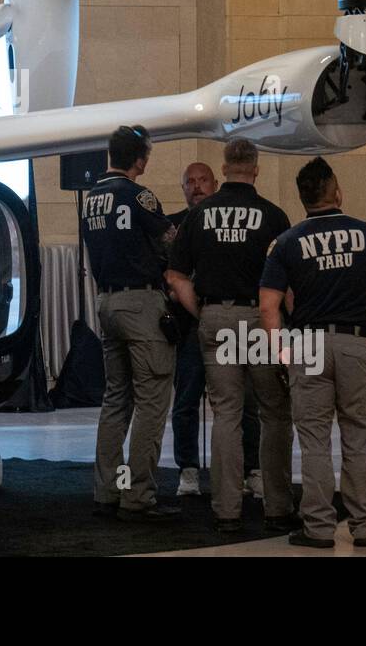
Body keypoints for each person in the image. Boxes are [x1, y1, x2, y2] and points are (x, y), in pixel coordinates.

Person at [259, 157, 366, 548]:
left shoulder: (286, 243)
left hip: (308, 345)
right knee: (358, 437)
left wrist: (282, 352)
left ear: (303, 198)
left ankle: (318, 528)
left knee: (315, 439)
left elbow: (268, 305)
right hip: (356, 343)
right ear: (337, 192)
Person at [167, 138, 295, 533]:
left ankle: (226, 511)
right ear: (255, 170)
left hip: (216, 316)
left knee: (226, 415)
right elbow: (288, 283)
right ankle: (276, 506)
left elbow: (175, 276)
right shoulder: (273, 215)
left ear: (223, 169)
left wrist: (203, 311)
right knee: (272, 412)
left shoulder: (199, 215)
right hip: (259, 318)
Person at [82, 124, 181, 523]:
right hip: (141, 303)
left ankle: (106, 491)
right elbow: (170, 240)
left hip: (106, 301)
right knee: (153, 401)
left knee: (116, 401)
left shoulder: (91, 198)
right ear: (140, 159)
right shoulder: (139, 195)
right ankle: (138, 495)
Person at [167, 161, 217, 496]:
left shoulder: (225, 221)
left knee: (238, 403)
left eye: (203, 181)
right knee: (185, 401)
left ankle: (244, 471)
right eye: (190, 182)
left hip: (226, 321)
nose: (197, 187)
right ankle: (187, 469)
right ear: (183, 188)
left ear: (215, 184)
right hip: (187, 328)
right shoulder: (170, 227)